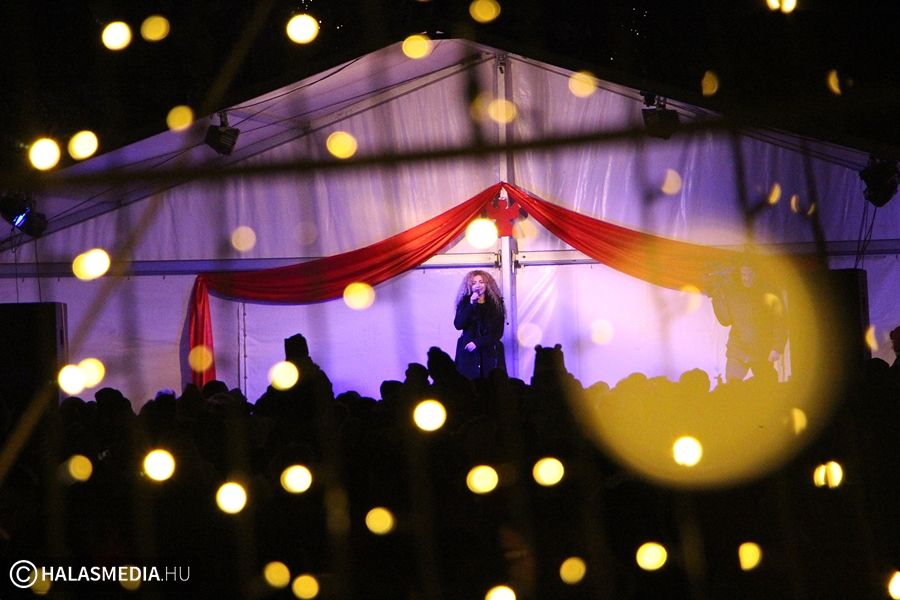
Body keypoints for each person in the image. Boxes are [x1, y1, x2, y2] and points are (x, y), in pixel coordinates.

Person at [708, 262, 788, 383]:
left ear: (757, 274)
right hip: (738, 351)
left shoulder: (769, 291)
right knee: (732, 387)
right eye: (743, 274)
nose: (747, 278)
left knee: (765, 387)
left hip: (762, 351)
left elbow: (780, 321)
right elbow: (725, 320)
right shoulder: (732, 292)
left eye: (750, 274)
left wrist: (777, 347)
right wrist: (716, 298)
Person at [453, 270, 506, 380]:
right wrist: (471, 304)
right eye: (474, 283)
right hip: (469, 354)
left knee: (489, 382)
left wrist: (478, 342)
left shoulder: (496, 304)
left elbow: (498, 332)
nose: (478, 285)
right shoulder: (464, 302)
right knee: (469, 383)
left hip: (489, 351)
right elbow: (458, 324)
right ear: (469, 286)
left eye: (481, 282)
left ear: (487, 284)